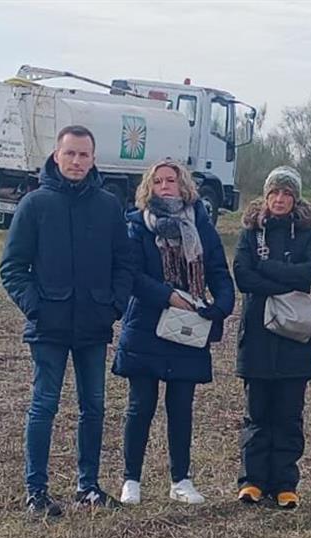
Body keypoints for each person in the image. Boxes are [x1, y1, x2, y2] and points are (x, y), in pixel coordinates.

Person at [0, 125, 134, 516]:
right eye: (70, 154)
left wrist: (114, 305)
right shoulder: (35, 205)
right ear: (56, 156)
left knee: (93, 407)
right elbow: (12, 268)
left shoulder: (109, 205)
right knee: (44, 406)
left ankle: (88, 487)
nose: (77, 162)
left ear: (94, 159)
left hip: (94, 325)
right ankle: (36, 492)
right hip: (49, 327)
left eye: (84, 155)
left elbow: (123, 263)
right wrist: (35, 306)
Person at [112, 159, 235, 505]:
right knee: (140, 406)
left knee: (181, 407)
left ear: (184, 187)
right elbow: (133, 275)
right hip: (147, 327)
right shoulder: (137, 226)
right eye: (159, 181)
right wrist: (168, 296)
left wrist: (221, 305)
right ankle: (131, 480)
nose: (165, 186)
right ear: (148, 188)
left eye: (172, 180)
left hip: (188, 330)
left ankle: (181, 480)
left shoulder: (201, 226)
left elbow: (218, 271)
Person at [232, 167, 311, 508]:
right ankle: (252, 482)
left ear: (295, 198)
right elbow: (243, 276)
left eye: (286, 193)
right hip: (256, 337)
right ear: (266, 197)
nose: (280, 199)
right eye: (274, 193)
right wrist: (284, 280)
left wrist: (265, 269)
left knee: (288, 415)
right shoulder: (249, 233)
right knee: (257, 414)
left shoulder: (308, 235)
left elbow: (308, 274)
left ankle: (285, 484)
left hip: (294, 339)